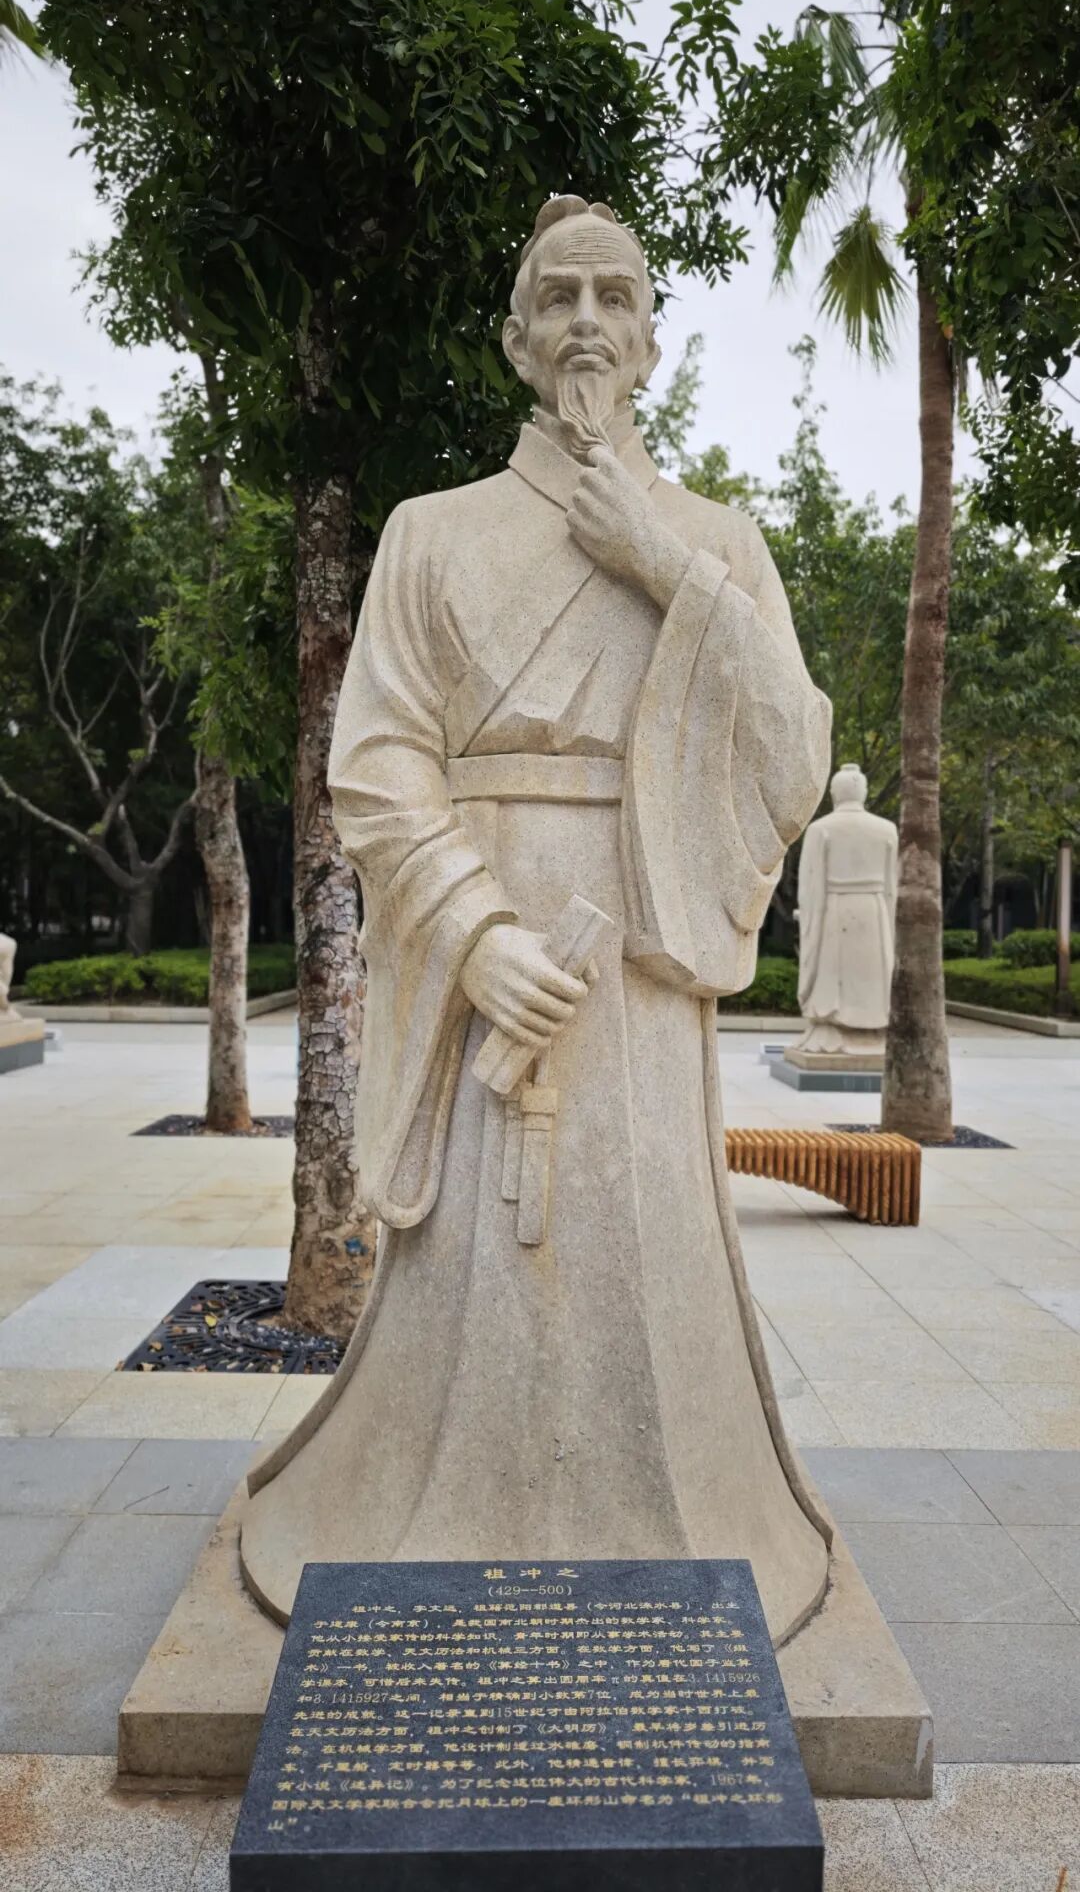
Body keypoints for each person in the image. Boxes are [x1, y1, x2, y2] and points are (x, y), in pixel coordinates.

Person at [240, 195, 834, 1646]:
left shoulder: (719, 543)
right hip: (485, 950)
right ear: (514, 342)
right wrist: (474, 931)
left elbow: (792, 760)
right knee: (472, 1278)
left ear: (650, 342)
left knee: (642, 1242)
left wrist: (662, 564)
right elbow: (377, 765)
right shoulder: (430, 535)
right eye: (556, 296)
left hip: (640, 961)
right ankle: (426, 1515)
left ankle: (683, 1521)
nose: (584, 321)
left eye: (614, 296)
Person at [795, 763, 898, 1061]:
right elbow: (892, 887)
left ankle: (832, 1029)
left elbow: (810, 886)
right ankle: (873, 1027)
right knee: (873, 973)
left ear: (834, 793)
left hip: (835, 911)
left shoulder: (820, 829)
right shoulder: (886, 830)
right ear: (864, 792)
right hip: (875, 912)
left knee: (835, 974)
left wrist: (809, 919)